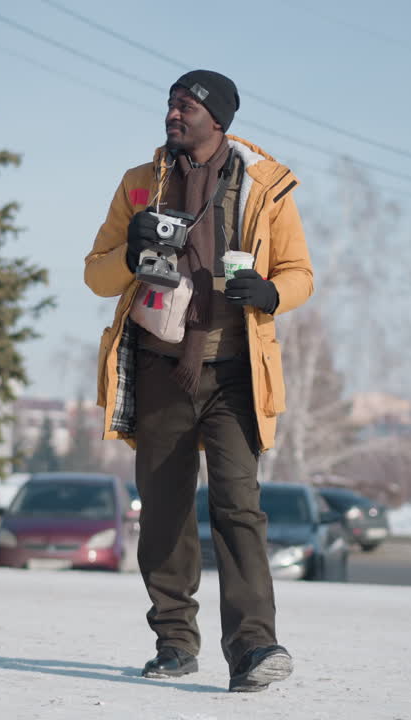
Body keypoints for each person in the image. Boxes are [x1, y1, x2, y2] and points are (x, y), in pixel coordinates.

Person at [83, 69, 313, 693]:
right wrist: (129, 257)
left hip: (235, 371)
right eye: (170, 103)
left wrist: (270, 292)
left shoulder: (265, 184)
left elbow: (300, 273)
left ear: (219, 120)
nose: (173, 113)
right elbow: (95, 276)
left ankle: (253, 648)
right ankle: (175, 642)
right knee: (164, 511)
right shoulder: (139, 184)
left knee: (239, 507)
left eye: (187, 105)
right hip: (159, 367)